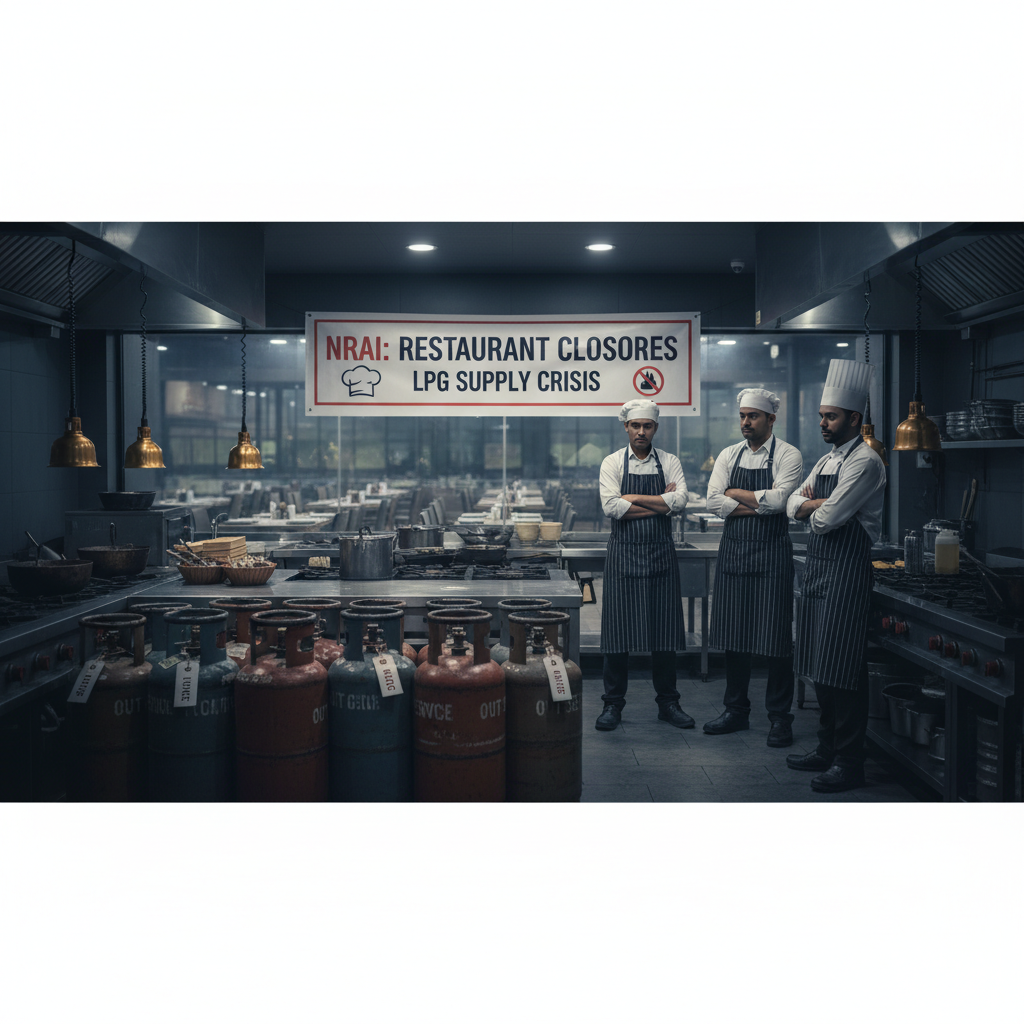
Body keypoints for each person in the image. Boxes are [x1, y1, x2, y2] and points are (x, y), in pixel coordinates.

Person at [785, 359, 887, 792]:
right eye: (822, 416)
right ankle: (826, 749)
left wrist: (811, 506)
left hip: (847, 573)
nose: (823, 423)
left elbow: (825, 520)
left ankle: (850, 762)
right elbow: (791, 505)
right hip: (819, 572)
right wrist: (809, 506)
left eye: (831, 417)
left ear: (854, 419)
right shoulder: (830, 460)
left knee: (843, 670)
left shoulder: (864, 463)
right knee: (820, 667)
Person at [704, 388, 804, 746]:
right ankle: (736, 711)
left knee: (777, 639)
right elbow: (713, 500)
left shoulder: (788, 454)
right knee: (734, 636)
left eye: (753, 416)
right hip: (734, 554)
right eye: (743, 416)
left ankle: (780, 717)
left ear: (771, 419)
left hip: (772, 554)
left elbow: (781, 501)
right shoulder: (729, 454)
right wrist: (760, 502)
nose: (746, 422)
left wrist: (736, 494)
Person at [595, 399, 694, 731]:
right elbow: (611, 507)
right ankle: (612, 705)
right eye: (635, 425)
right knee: (616, 637)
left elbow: (680, 501)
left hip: (661, 555)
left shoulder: (669, 461)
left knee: (663, 635)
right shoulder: (612, 462)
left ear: (655, 428)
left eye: (647, 426)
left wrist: (632, 499)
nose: (641, 431)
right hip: (623, 555)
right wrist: (660, 504)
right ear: (626, 427)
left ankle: (668, 703)